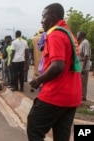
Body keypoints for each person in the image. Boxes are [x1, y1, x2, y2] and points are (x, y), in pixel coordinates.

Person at [27, 3, 82, 141]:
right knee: (62, 136)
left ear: (53, 17)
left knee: (34, 126)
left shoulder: (55, 34)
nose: (41, 20)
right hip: (71, 97)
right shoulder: (69, 34)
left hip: (56, 94)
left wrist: (38, 81)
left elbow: (58, 66)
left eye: (43, 17)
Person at [77, 30, 91, 101]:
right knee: (80, 82)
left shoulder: (85, 42)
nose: (77, 36)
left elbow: (86, 55)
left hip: (84, 65)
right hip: (81, 64)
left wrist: (83, 68)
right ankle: (81, 96)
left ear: (81, 35)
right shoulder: (82, 43)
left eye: (78, 34)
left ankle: (83, 97)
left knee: (83, 82)